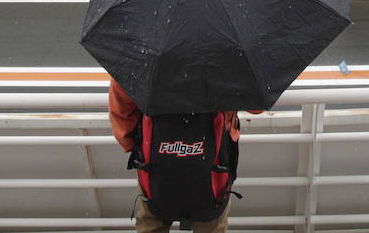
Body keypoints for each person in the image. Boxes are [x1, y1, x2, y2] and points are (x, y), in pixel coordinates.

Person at [109, 80, 259, 232]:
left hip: (155, 166)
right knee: (211, 221)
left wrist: (131, 144)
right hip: (214, 167)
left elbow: (122, 108)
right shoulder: (228, 59)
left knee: (151, 221)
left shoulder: (141, 59)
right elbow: (256, 106)